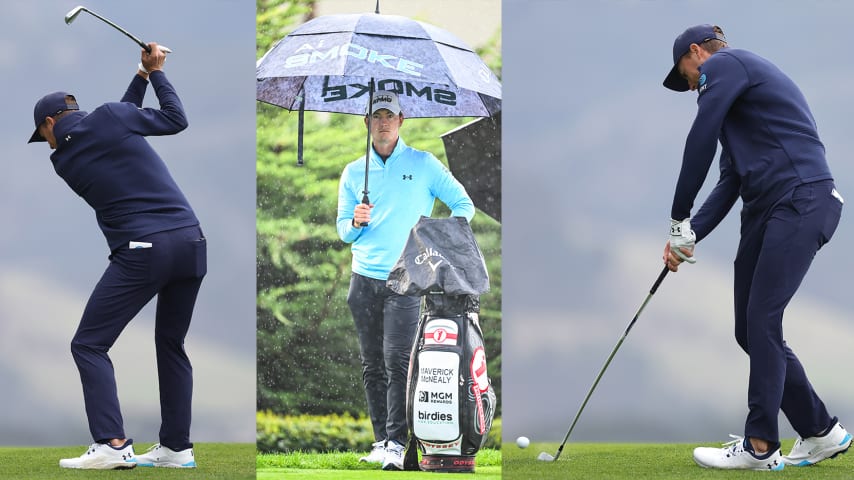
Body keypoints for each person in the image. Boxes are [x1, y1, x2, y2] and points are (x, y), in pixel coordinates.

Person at [661, 24, 851, 471]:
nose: (690, 86)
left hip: (800, 198)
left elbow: (699, 137)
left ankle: (761, 445)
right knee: (750, 329)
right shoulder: (738, 109)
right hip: (770, 208)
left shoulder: (727, 64)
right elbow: (731, 180)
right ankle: (822, 431)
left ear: (697, 53)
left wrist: (676, 214)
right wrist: (686, 233)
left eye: (686, 76)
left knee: (763, 318)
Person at [29, 43, 205, 470]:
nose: (45, 142)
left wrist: (144, 76)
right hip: (191, 242)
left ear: (51, 123)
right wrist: (157, 71)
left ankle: (111, 443)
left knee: (88, 343)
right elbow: (167, 119)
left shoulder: (64, 157)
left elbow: (121, 118)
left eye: (43, 133)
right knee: (172, 344)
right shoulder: (108, 120)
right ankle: (177, 448)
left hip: (145, 250)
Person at [336, 91, 475, 471]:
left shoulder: (424, 164)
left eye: (389, 115)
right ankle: (381, 441)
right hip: (363, 278)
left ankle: (398, 443)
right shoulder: (353, 172)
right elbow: (343, 232)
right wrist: (355, 222)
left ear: (401, 122)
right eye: (376, 116)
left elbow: (464, 206)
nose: (383, 122)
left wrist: (431, 242)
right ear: (366, 123)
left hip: (406, 281)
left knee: (398, 362)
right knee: (371, 364)